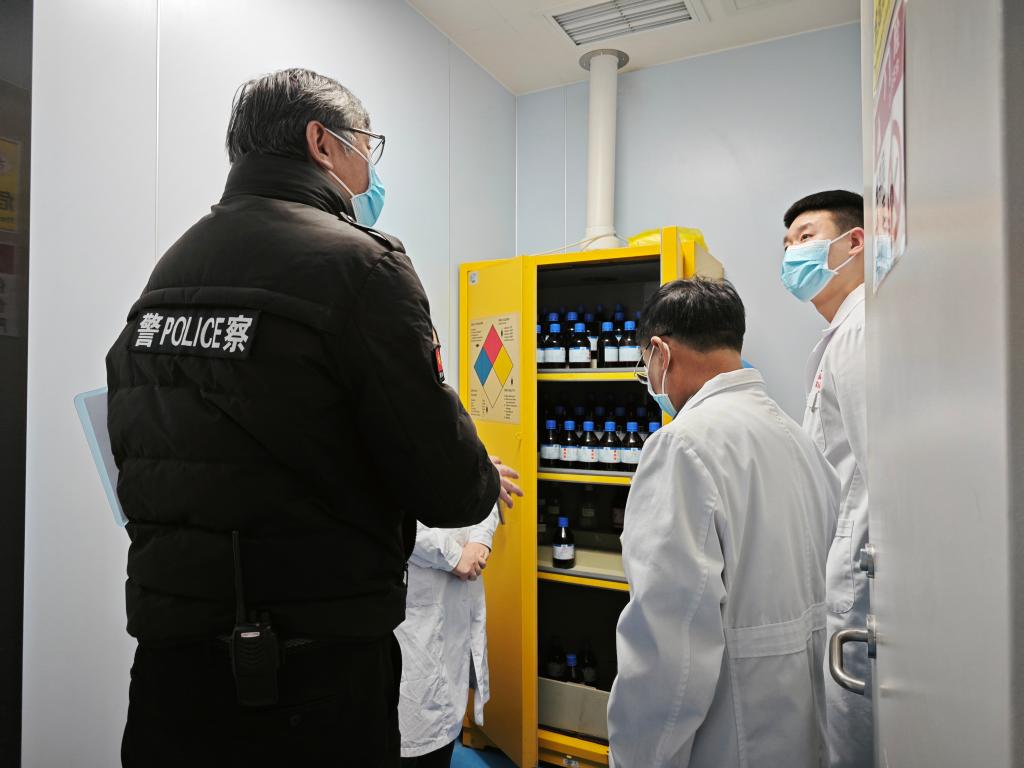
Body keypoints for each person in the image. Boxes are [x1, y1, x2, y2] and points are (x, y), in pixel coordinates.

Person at [105, 68, 521, 768]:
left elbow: (140, 449)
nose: (371, 170)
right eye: (368, 145)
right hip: (309, 672)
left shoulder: (171, 270)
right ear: (322, 142)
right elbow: (450, 489)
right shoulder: (364, 266)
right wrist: (473, 465)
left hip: (170, 661)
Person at [607, 278, 839, 768]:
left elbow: (667, 647)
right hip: (802, 730)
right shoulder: (795, 437)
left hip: (730, 737)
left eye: (645, 365)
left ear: (660, 353)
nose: (650, 380)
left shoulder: (682, 446)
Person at [781, 190, 871, 768]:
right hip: (841, 574)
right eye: (787, 244)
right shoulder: (842, 333)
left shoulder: (862, 330)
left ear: (854, 241)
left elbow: (879, 471)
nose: (792, 253)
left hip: (858, 583)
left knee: (852, 741)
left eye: (806, 236)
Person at [396, 506, 501, 767]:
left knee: (445, 728)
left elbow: (484, 492)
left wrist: (480, 542)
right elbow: (388, 517)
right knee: (408, 731)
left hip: (456, 597)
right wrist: (454, 555)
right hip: (412, 603)